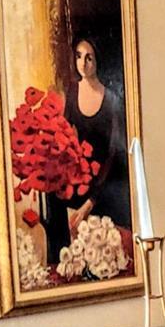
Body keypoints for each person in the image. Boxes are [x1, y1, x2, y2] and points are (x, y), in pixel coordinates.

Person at [45, 34, 131, 262]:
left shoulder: (112, 101)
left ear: (98, 61)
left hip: (104, 183)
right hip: (79, 177)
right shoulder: (72, 93)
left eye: (89, 58)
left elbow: (114, 156)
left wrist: (91, 201)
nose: (83, 63)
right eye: (79, 56)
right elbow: (64, 136)